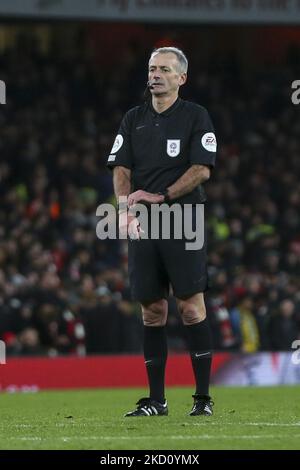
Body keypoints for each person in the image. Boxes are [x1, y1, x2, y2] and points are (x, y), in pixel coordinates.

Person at [107, 47, 217, 417]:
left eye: (165, 69)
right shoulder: (133, 119)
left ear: (181, 78)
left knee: (189, 307)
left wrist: (162, 195)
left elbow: (202, 169)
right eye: (152, 68)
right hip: (144, 224)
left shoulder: (195, 116)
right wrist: (124, 209)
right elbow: (121, 168)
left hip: (183, 220)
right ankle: (156, 400)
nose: (156, 74)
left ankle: (202, 399)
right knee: (152, 311)